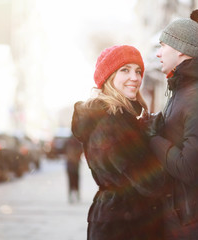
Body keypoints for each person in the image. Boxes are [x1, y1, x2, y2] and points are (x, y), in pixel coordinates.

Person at [144, 9, 198, 239]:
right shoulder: (183, 90)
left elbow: (190, 168)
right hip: (182, 222)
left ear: (181, 49)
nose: (159, 54)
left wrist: (152, 138)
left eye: (163, 46)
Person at [71, 45, 165, 240]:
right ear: (109, 76)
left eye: (138, 71)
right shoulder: (113, 121)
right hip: (124, 225)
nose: (135, 78)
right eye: (125, 70)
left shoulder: (121, 116)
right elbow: (149, 180)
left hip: (116, 219)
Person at [64, 134, 82, 203]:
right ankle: (75, 194)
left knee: (71, 179)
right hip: (74, 163)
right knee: (75, 179)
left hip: (71, 163)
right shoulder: (77, 141)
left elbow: (63, 150)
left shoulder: (68, 141)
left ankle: (72, 194)